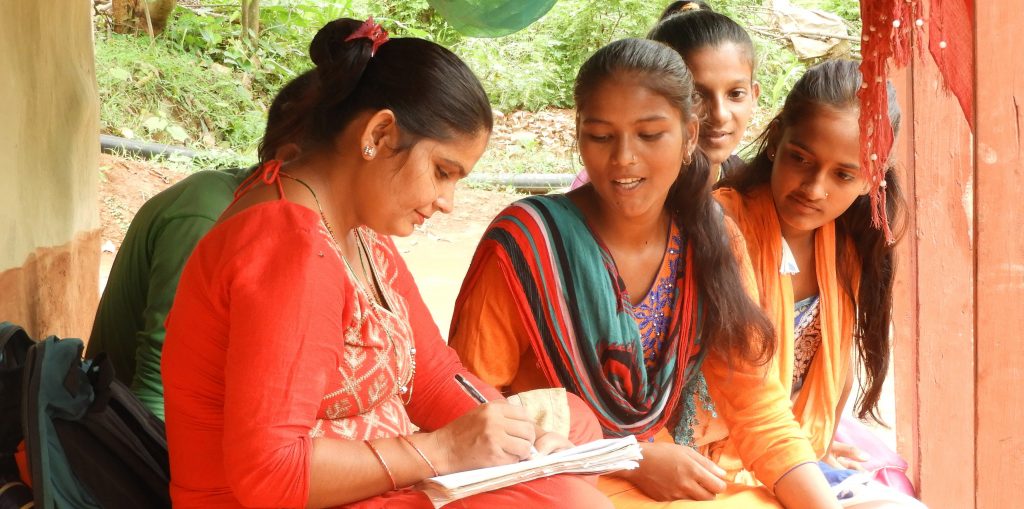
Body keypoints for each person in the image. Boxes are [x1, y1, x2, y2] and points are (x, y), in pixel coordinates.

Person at [160, 17, 613, 509]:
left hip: (373, 480)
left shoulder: (353, 225)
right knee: (569, 501)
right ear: (378, 132)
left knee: (568, 424)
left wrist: (514, 440)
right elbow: (273, 475)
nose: (448, 202)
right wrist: (442, 449)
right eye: (442, 172)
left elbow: (433, 376)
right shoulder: (290, 247)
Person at [449, 38, 838, 508]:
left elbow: (758, 411)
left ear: (690, 136)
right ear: (579, 134)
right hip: (547, 478)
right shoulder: (528, 244)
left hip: (663, 476)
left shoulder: (713, 240)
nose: (624, 159)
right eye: (601, 136)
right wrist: (624, 457)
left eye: (650, 135)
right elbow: (468, 407)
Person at [711, 59, 908, 489]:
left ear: (871, 180)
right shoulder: (721, 226)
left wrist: (816, 444)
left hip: (797, 446)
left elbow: (835, 368)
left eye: (842, 174)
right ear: (776, 137)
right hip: (711, 453)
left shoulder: (849, 244)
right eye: (801, 159)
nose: (814, 189)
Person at [86, 71, 314, 419]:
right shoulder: (206, 217)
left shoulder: (316, 232)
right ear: (288, 158)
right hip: (134, 436)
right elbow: (156, 397)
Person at [571, 1, 758, 189]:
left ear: (754, 96)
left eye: (735, 93)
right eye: (695, 95)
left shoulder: (748, 187)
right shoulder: (619, 187)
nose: (720, 114)